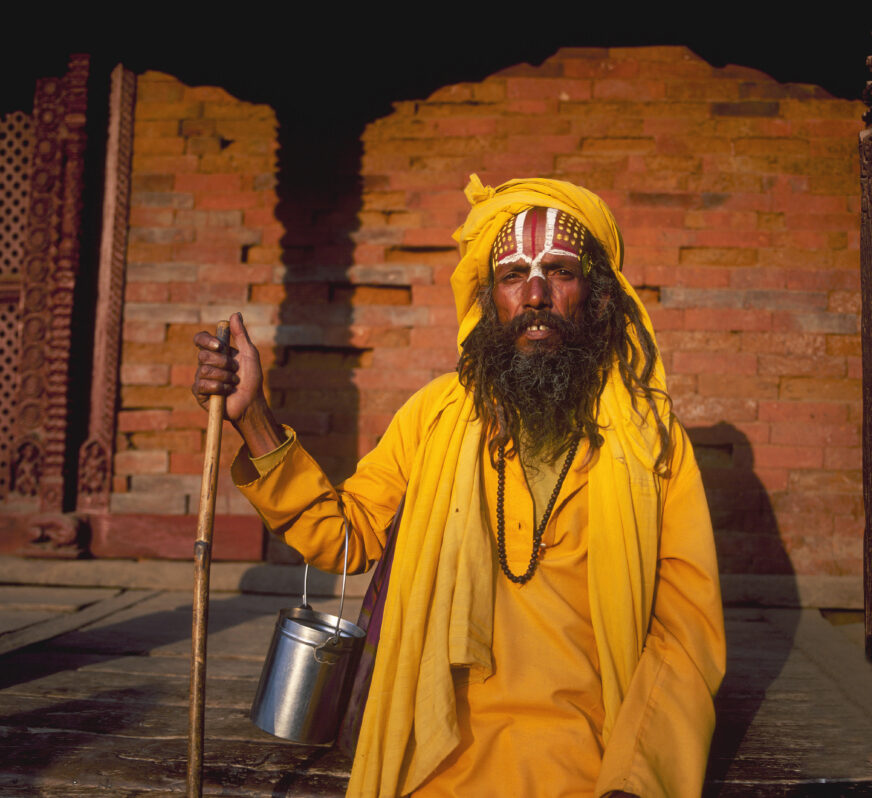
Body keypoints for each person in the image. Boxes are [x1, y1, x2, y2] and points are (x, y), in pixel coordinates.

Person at [193, 176, 726, 798]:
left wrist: (639, 779)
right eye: (511, 277)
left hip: (591, 764)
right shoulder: (435, 416)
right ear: (489, 298)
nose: (534, 295)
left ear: (597, 294)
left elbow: (684, 637)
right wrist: (253, 416)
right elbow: (344, 540)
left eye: (558, 271)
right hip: (429, 761)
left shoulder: (650, 439)